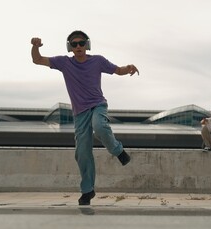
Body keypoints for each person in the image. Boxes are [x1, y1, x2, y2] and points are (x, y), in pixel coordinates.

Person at [31, 30, 139, 205]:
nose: (78, 46)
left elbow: (118, 70)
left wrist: (129, 68)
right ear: (70, 47)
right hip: (79, 113)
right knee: (82, 153)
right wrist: (35, 46)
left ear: (87, 45)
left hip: (97, 105)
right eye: (74, 44)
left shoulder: (98, 61)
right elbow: (38, 60)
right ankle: (87, 191)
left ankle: (118, 151)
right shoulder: (64, 63)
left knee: (100, 126)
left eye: (81, 43)